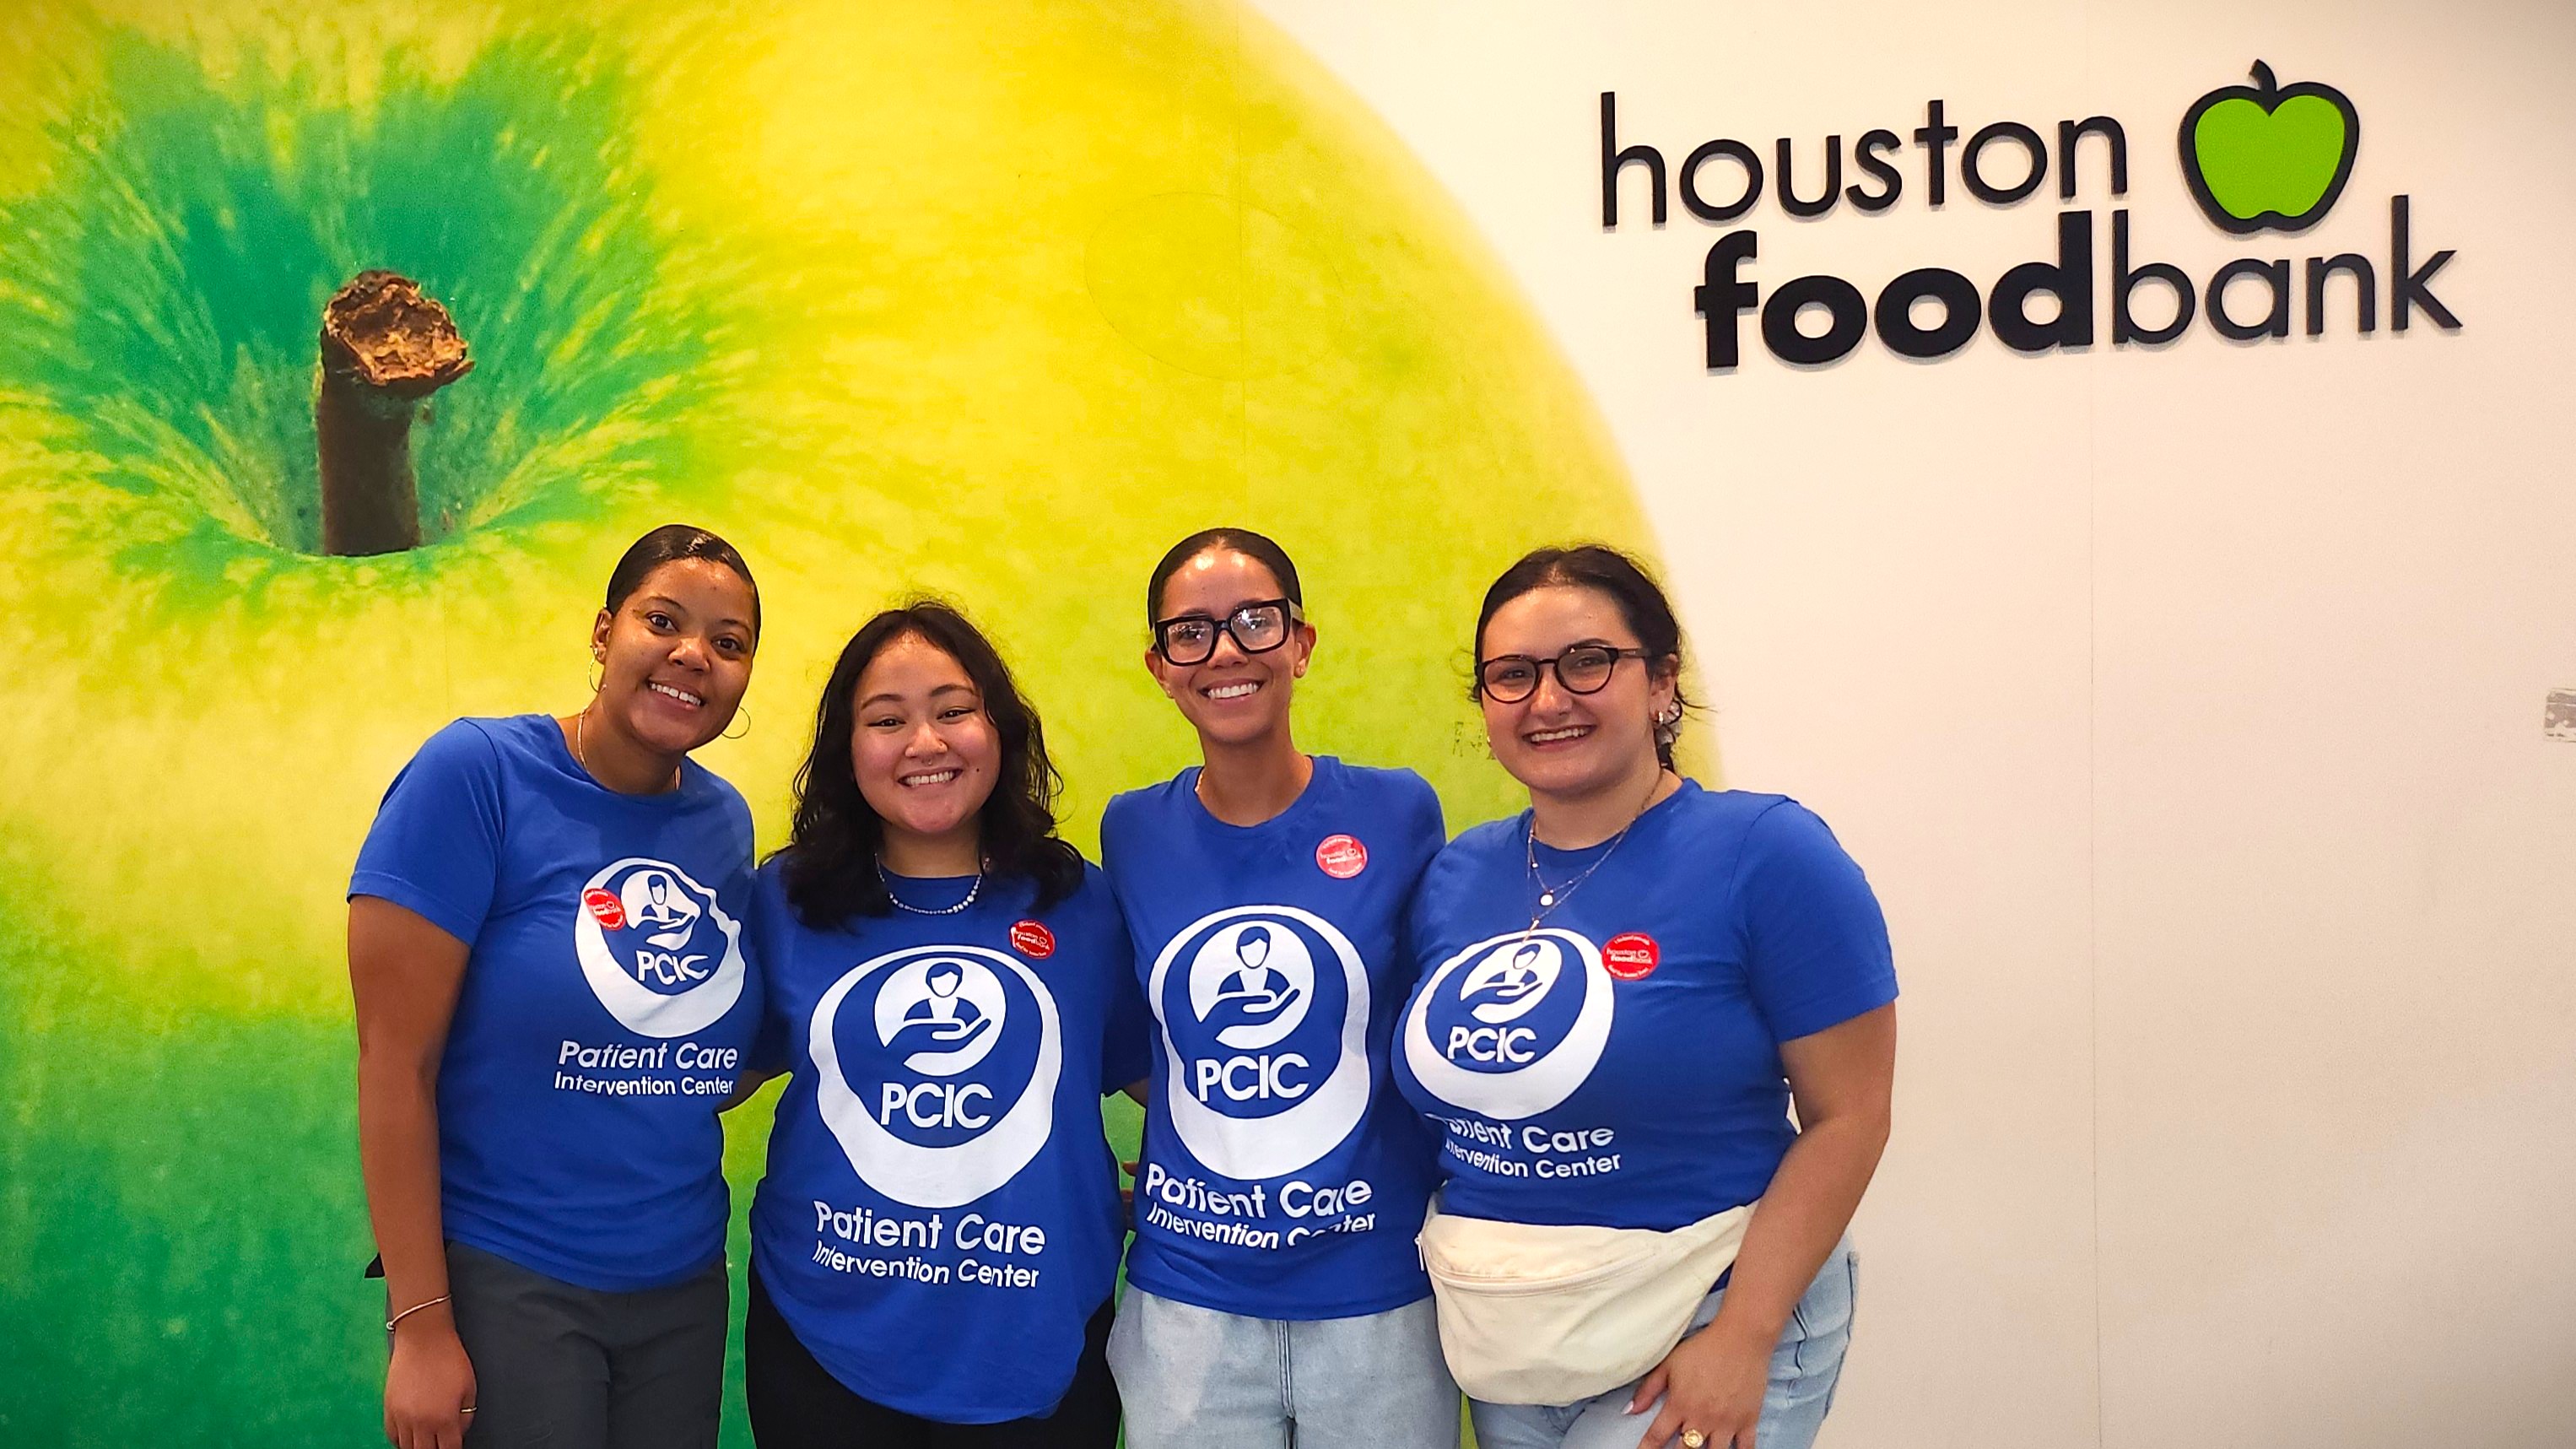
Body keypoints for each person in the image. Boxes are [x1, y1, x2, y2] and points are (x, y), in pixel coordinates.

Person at [1393, 544, 1898, 1449]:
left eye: (1586, 661)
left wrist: (1743, 1336)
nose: (1548, 699)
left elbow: (1849, 1116)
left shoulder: (1766, 853)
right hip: (1513, 1344)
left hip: (1702, 1325)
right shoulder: (1455, 875)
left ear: (1662, 681)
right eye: (1512, 674)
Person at [349, 524, 767, 1449]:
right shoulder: (477, 775)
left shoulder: (723, 823)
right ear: (603, 631)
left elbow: (696, 1050)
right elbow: (394, 1063)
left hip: (683, 1285)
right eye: (663, 621)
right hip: (513, 1280)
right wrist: (420, 1326)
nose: (692, 654)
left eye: (728, 642)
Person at [741, 601, 1149, 1449]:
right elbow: (696, 1076)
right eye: (886, 719)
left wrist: (1201, 1184)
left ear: (999, 729)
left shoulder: (1080, 900)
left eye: (953, 710)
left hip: (1039, 1338)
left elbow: (1168, 1077)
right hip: (825, 1338)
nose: (924, 742)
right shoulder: (785, 900)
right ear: (847, 750)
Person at [1100, 527, 1460, 1449]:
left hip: (1378, 1291)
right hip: (1188, 1300)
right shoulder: (1132, 830)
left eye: (1254, 621)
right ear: (1159, 666)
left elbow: (1422, 1029)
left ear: (1300, 643)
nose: (1224, 650)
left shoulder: (1397, 810)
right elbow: (1158, 1039)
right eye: (1191, 632)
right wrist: (1226, 1141)